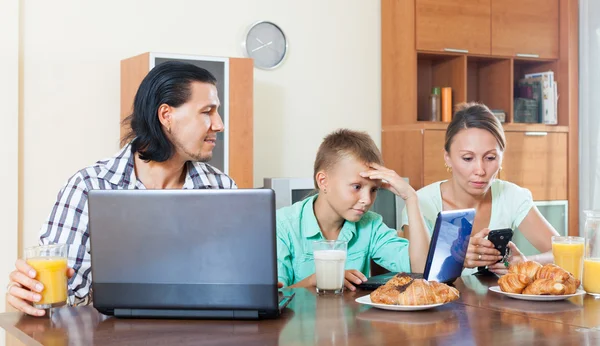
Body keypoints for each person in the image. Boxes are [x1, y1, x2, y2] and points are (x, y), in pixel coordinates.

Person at [7, 61, 236, 316]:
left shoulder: (222, 188)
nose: (219, 124)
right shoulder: (88, 187)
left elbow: (232, 279)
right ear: (166, 115)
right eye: (207, 111)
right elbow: (62, 298)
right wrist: (30, 296)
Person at [402, 102, 559, 276]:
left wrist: (526, 262)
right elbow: (418, 275)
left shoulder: (512, 196)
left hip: (498, 302)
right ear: (447, 158)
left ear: (501, 158)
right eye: (468, 158)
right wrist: (457, 261)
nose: (480, 170)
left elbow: (565, 253)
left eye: (490, 158)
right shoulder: (420, 203)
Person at [276, 129, 430, 291]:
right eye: (357, 187)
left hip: (352, 316)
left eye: (374, 190)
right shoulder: (282, 226)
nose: (367, 200)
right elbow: (274, 298)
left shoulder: (371, 224)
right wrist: (314, 281)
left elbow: (422, 270)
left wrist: (411, 198)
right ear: (323, 181)